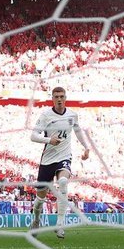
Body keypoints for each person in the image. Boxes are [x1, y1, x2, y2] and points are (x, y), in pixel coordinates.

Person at [29, 86, 90, 238]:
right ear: (52, 99)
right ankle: (36, 220)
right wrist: (49, 140)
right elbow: (33, 136)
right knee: (40, 198)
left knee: (63, 182)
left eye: (62, 96)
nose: (59, 99)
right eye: (56, 97)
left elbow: (77, 130)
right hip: (47, 159)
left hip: (64, 156)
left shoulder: (72, 115)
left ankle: (60, 224)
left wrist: (86, 148)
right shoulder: (46, 115)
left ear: (65, 98)